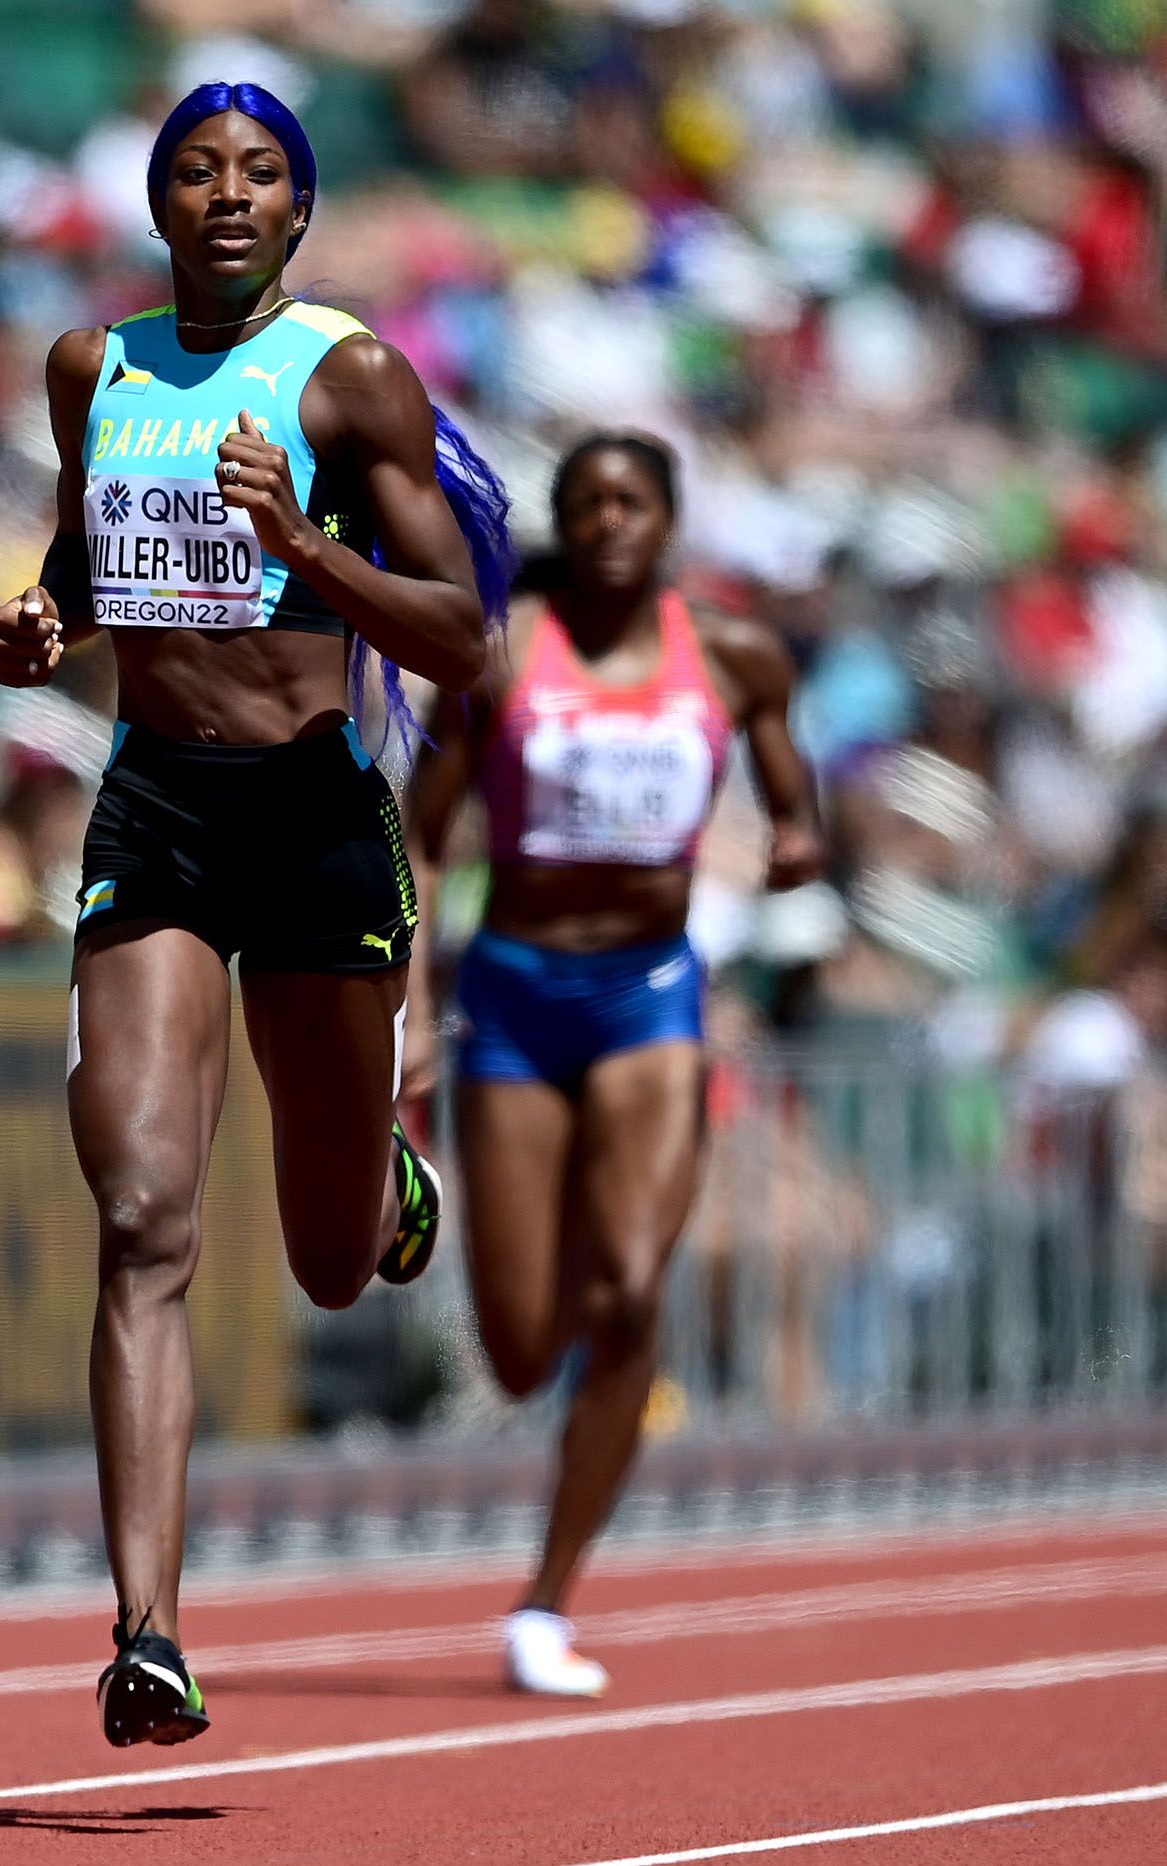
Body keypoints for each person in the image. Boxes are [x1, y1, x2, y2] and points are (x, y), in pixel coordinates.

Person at [0, 79, 512, 1748]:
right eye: (197, 171)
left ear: (301, 212)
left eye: (260, 172)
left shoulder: (352, 378)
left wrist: (304, 545)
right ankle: (146, 1629)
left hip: (313, 821)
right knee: (141, 1214)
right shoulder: (96, 369)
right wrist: (41, 623)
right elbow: (83, 553)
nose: (226, 194)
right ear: (157, 206)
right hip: (155, 810)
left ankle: (388, 1183)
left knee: (329, 1260)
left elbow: (459, 632)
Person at [406, 432, 822, 1696]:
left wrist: (795, 847)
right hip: (519, 996)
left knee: (637, 1291)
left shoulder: (736, 656)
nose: (605, 523)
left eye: (629, 502)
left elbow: (800, 805)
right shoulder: (498, 653)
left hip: (648, 995)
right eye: (584, 505)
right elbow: (418, 837)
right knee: (524, 1348)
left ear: (668, 522)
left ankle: (545, 1599)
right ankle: (574, 1254)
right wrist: (412, 1006)